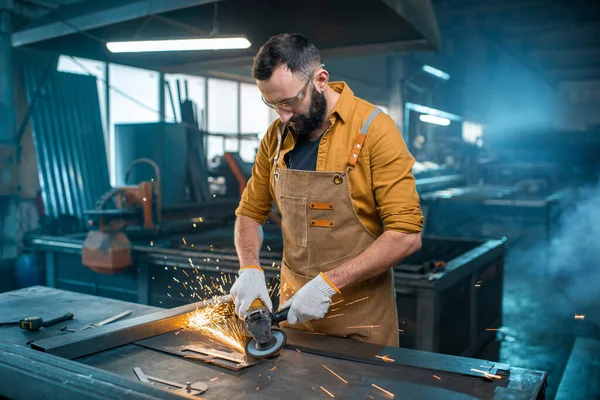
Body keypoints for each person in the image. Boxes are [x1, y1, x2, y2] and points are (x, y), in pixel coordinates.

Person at [230, 33, 423, 347]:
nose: (283, 116)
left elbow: (406, 236)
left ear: (320, 79)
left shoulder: (374, 129)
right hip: (292, 322)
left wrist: (328, 284)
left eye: (291, 102)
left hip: (362, 326)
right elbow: (249, 214)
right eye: (273, 104)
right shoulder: (276, 137)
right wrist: (249, 267)